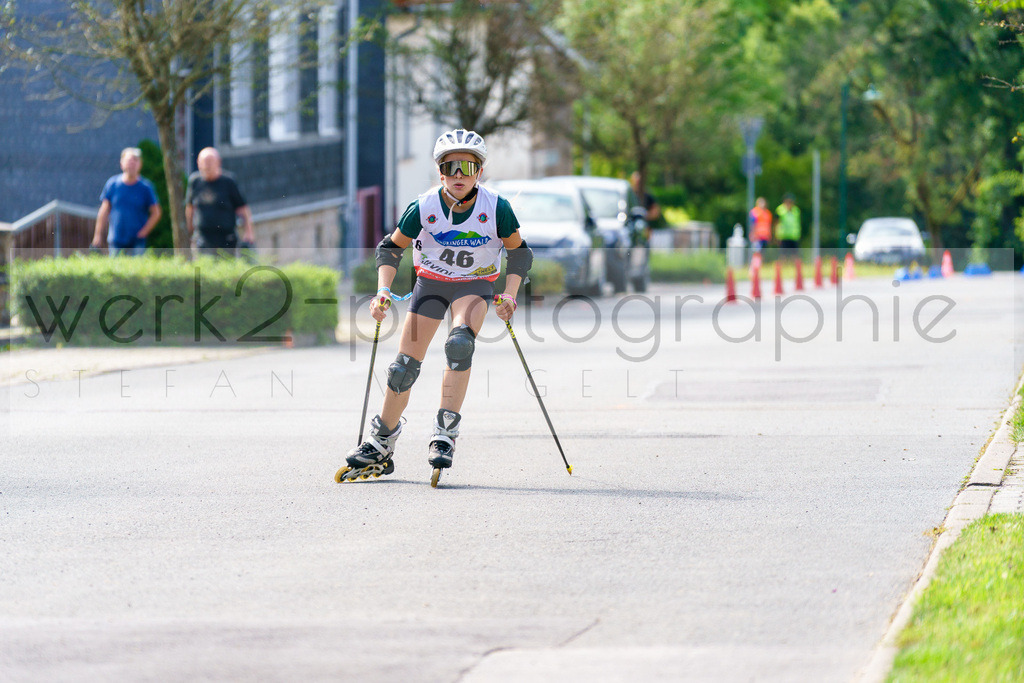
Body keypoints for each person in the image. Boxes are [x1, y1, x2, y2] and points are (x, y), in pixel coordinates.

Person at [337, 128, 533, 483]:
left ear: (479, 172)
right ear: (440, 172)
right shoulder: (424, 207)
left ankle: (444, 434)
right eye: (449, 167)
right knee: (403, 368)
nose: (458, 175)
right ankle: (381, 442)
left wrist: (509, 294)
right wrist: (383, 291)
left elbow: (520, 254)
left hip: (475, 284)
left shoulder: (496, 208)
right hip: (431, 284)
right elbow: (390, 249)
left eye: (467, 167)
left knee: (460, 346)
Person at [91, 147, 161, 255]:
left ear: (140, 164)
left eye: (135, 161)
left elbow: (156, 212)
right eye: (129, 161)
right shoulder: (113, 184)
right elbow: (104, 211)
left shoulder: (146, 187)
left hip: (137, 241)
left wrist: (145, 231)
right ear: (122, 163)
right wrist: (98, 235)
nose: (132, 164)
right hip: (116, 240)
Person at [185, 147, 255, 256]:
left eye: (210, 162)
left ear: (218, 162)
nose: (207, 166)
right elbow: (190, 208)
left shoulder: (228, 182)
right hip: (203, 238)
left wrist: (249, 231)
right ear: (198, 163)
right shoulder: (195, 181)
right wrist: (188, 231)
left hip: (226, 238)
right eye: (204, 162)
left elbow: (243, 208)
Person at [775, 193, 802, 259]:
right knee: (783, 255)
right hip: (783, 236)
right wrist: (776, 235)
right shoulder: (780, 210)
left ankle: (796, 265)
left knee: (795, 255)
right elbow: (776, 223)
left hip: (794, 236)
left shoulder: (796, 210)